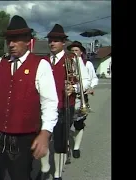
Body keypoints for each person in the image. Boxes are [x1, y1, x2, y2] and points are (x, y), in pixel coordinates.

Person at [0, 15, 59, 180]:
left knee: (20, 175)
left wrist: (45, 133)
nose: (11, 44)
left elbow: (50, 102)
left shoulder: (40, 65)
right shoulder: (0, 64)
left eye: (16, 40)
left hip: (24, 136)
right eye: (9, 40)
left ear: (28, 41)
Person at [41, 24, 91, 180]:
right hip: (45, 107)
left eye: (56, 41)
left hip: (65, 106)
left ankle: (57, 175)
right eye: (50, 40)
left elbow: (86, 80)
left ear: (63, 43)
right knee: (44, 138)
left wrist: (74, 87)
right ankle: (44, 168)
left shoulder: (72, 59)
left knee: (61, 143)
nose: (52, 43)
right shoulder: (43, 60)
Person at [67, 41, 98, 158]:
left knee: (79, 124)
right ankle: (66, 147)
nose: (74, 53)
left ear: (81, 52)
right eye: (72, 51)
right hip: (69, 98)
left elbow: (93, 78)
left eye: (76, 51)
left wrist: (91, 87)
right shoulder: (68, 63)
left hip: (81, 98)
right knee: (66, 125)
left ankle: (76, 147)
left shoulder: (87, 64)